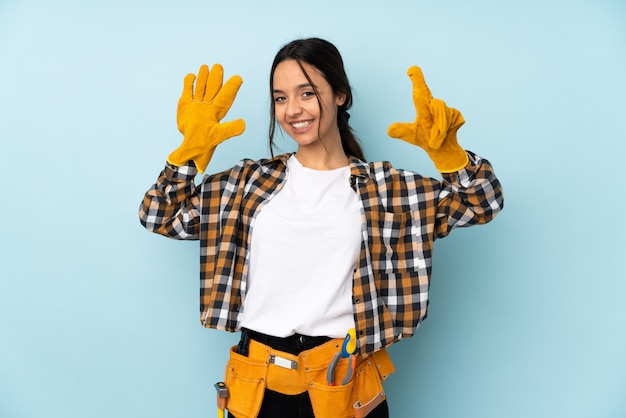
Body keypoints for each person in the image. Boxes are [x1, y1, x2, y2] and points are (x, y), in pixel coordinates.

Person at [139, 37, 504, 418]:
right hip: (257, 386)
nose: (292, 109)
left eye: (307, 93)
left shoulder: (386, 190)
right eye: (280, 98)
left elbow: (483, 202)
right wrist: (187, 155)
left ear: (340, 95)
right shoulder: (247, 183)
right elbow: (158, 216)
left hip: (344, 383)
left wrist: (450, 155)